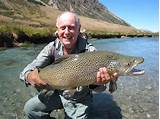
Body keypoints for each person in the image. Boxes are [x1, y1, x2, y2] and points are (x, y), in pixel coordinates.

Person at [20, 11, 118, 119]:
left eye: (71, 27)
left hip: (79, 99)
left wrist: (98, 83)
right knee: (30, 109)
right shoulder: (51, 48)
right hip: (56, 93)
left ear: (78, 29)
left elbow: (100, 89)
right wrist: (30, 76)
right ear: (57, 29)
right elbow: (27, 70)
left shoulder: (91, 52)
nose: (66, 32)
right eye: (63, 28)